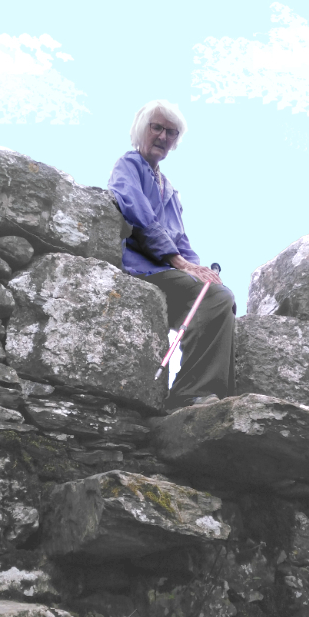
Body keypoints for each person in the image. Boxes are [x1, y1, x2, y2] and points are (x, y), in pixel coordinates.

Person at [108, 99, 235, 412]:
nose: (163, 137)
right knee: (215, 298)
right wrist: (180, 263)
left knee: (221, 296)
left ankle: (209, 390)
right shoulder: (129, 165)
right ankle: (190, 392)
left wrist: (200, 270)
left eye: (172, 133)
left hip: (167, 270)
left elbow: (181, 240)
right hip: (140, 266)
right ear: (142, 129)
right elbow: (139, 216)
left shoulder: (169, 189)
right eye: (157, 128)